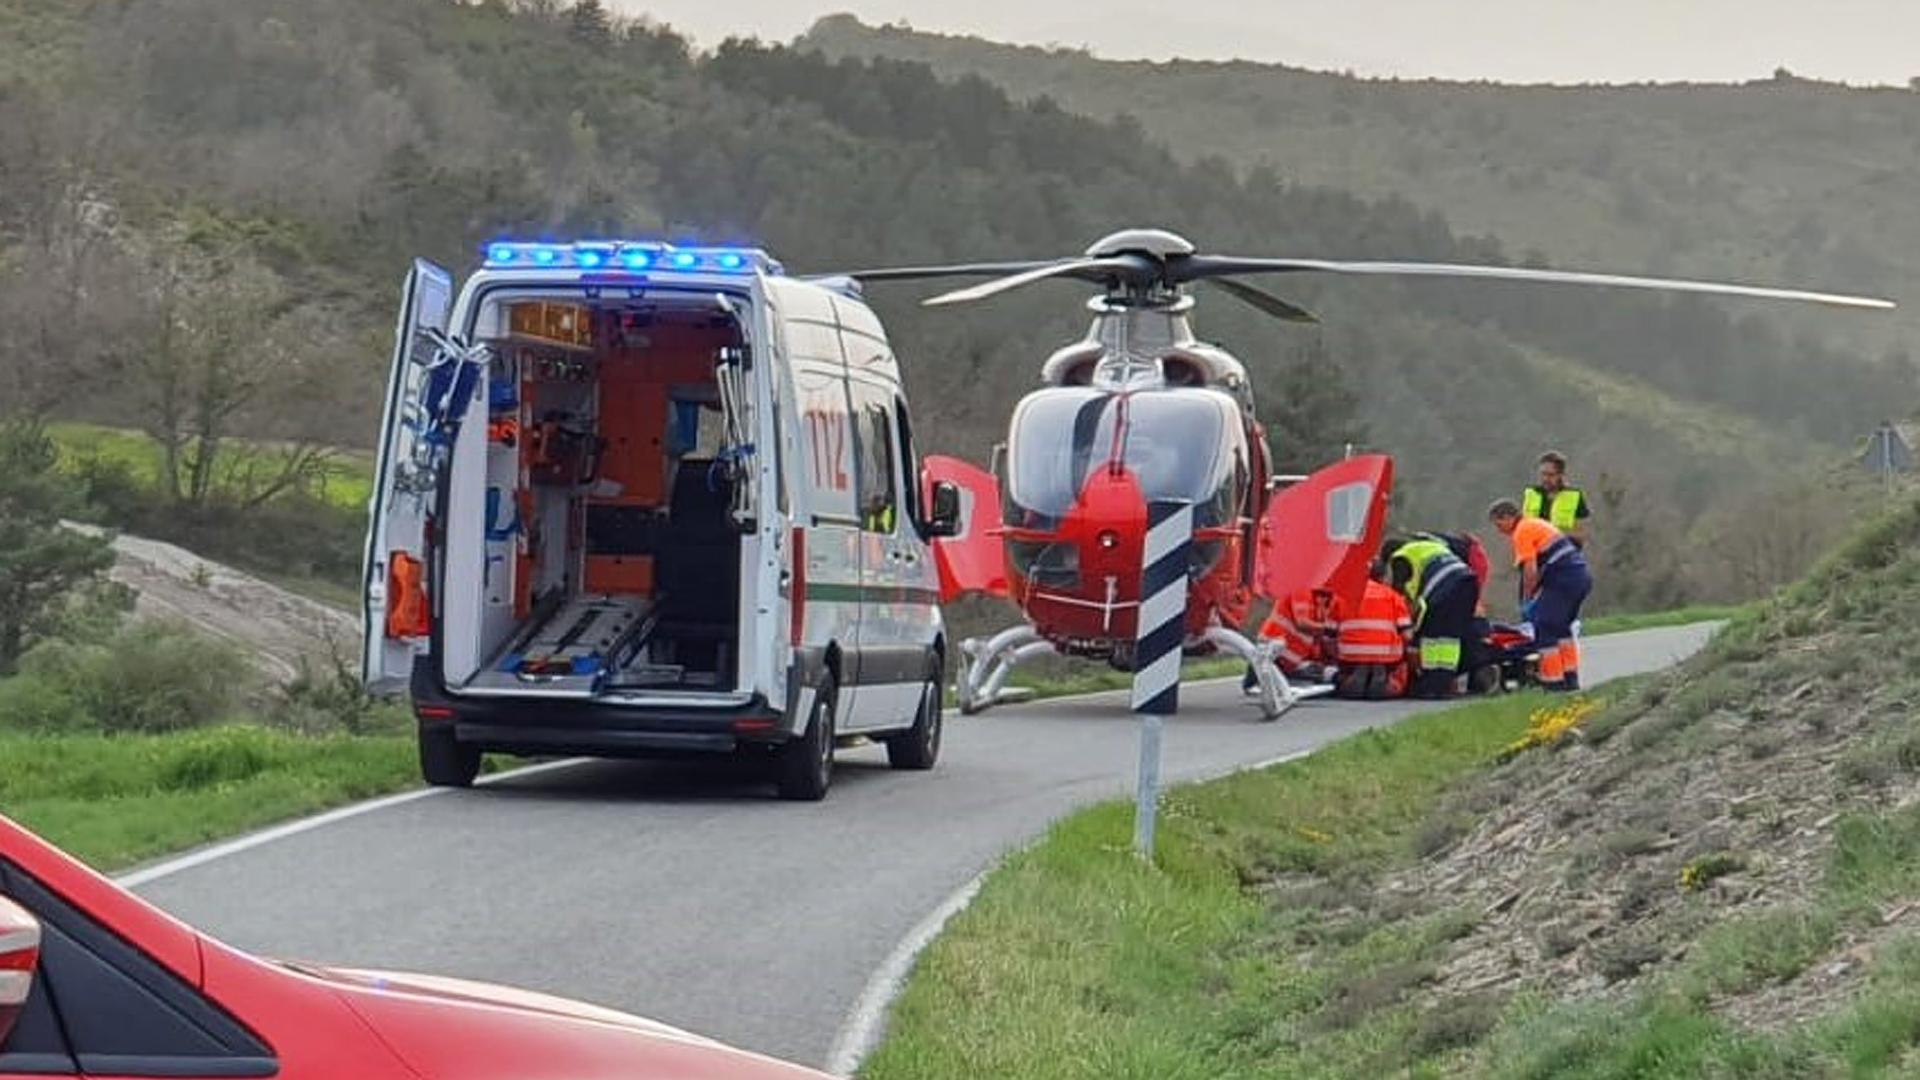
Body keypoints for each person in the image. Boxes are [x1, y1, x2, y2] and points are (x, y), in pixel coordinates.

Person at [1489, 498, 1593, 691]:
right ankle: (1570, 678)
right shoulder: (1536, 524)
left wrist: (1528, 598)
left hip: (1562, 579)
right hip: (1579, 577)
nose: (1499, 530)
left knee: (1544, 627)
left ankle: (1554, 683)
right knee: (1562, 629)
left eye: (1499, 524)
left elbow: (1530, 570)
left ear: (1508, 517)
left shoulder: (1522, 531)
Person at [1383, 535, 1481, 699]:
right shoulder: (1427, 548)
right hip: (1468, 583)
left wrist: (1406, 624)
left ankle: (1430, 685)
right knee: (1450, 636)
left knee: (1430, 633)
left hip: (1443, 585)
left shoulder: (1400, 556)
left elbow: (1399, 592)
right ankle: (1442, 683)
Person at [1332, 571, 1414, 700]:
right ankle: (1386, 681)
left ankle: (1349, 678)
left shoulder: (1342, 596)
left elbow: (1329, 634)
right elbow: (1407, 635)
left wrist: (1334, 657)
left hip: (1350, 655)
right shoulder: (1393, 596)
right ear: (1383, 577)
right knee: (1400, 664)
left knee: (1338, 672)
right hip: (1386, 656)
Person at [1250, 587, 1339, 688]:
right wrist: (1330, 629)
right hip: (1273, 651)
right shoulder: (1301, 590)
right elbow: (1302, 623)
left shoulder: (1322, 601)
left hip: (1289, 659)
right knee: (1266, 682)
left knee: (1321, 673)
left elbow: (1317, 636)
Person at [1522, 450, 1591, 549]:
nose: (1545, 479)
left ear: (1561, 475)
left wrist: (1555, 536)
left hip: (1564, 552)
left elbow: (1582, 534)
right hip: (1534, 553)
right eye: (1543, 474)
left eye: (1550, 475)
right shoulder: (1531, 494)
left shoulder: (1574, 496)